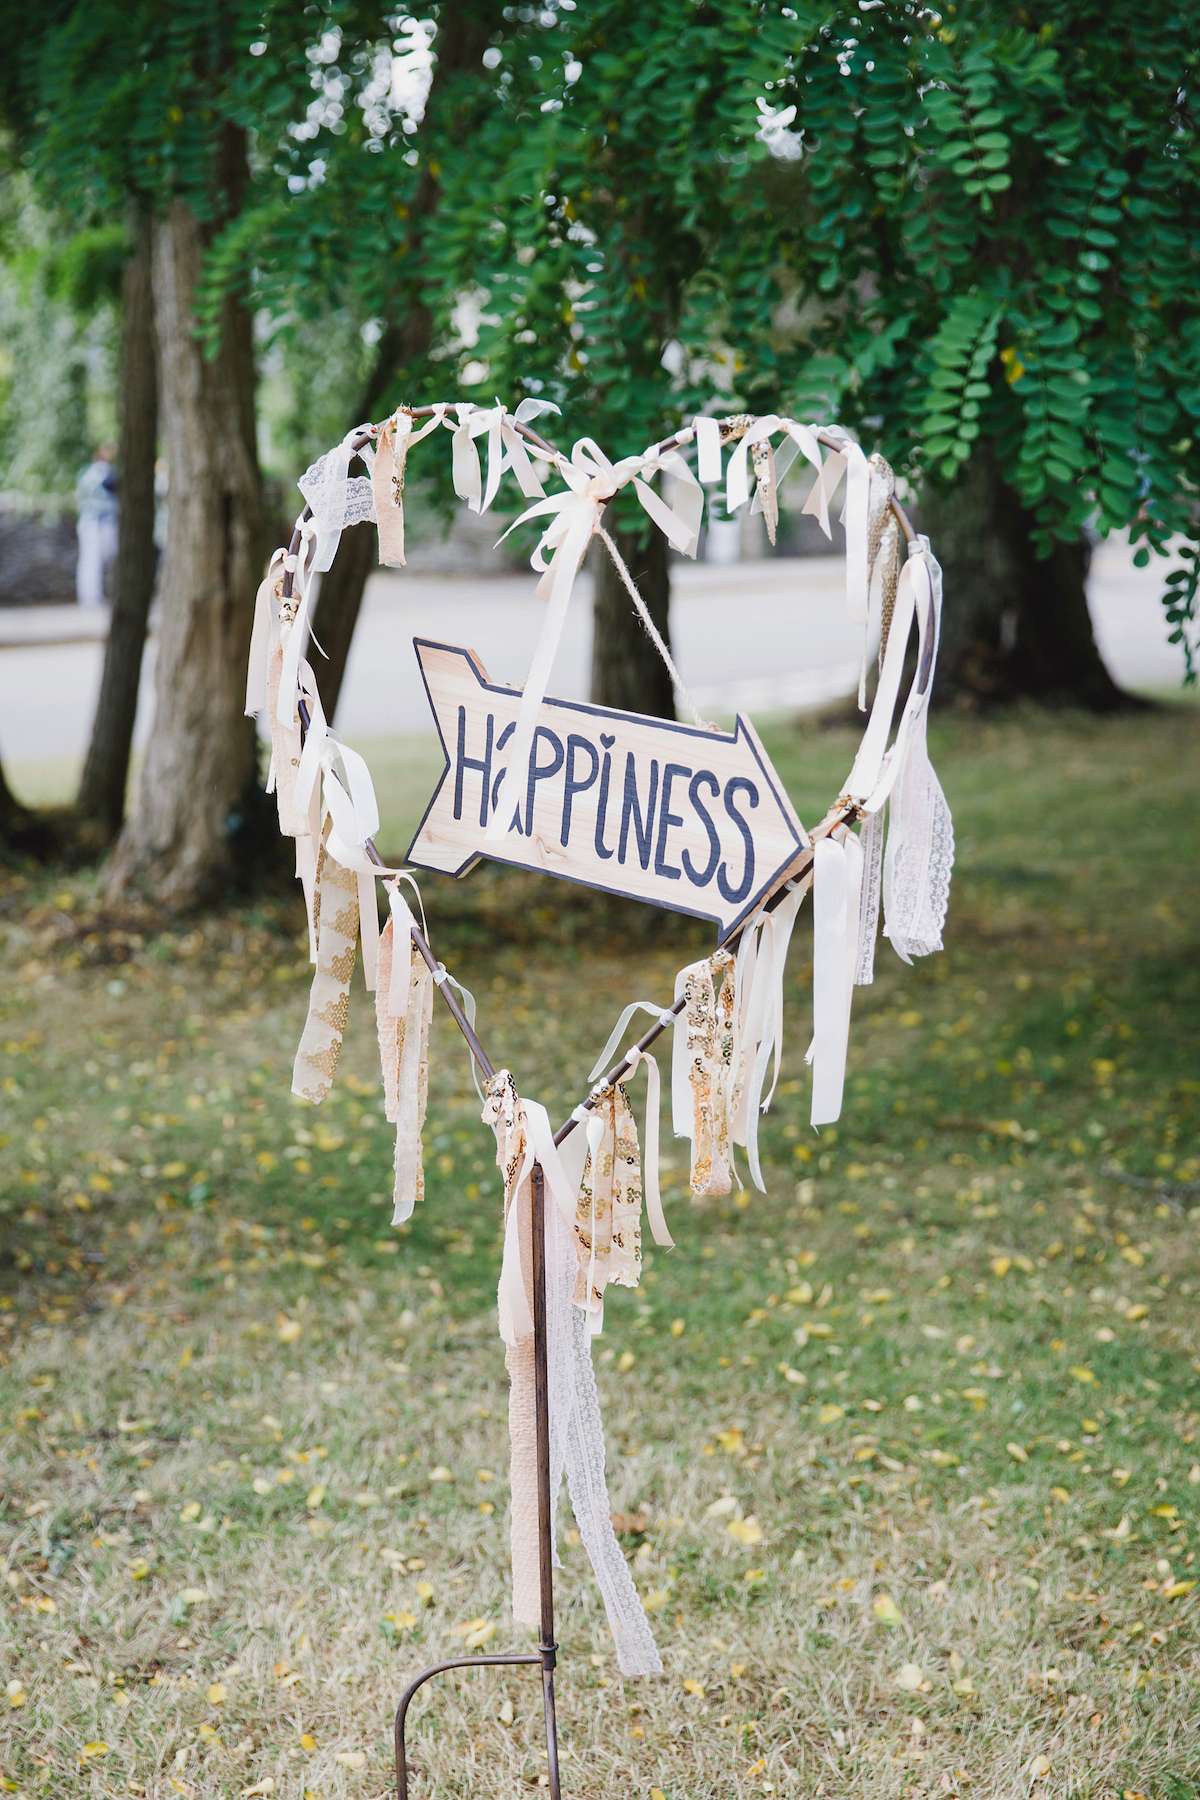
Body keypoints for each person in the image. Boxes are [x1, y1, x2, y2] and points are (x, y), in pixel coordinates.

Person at [75, 445, 119, 609]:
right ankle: (91, 599)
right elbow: (111, 485)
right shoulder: (100, 472)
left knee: (97, 560)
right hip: (96, 522)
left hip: (99, 521)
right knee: (92, 560)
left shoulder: (86, 472)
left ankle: (93, 597)